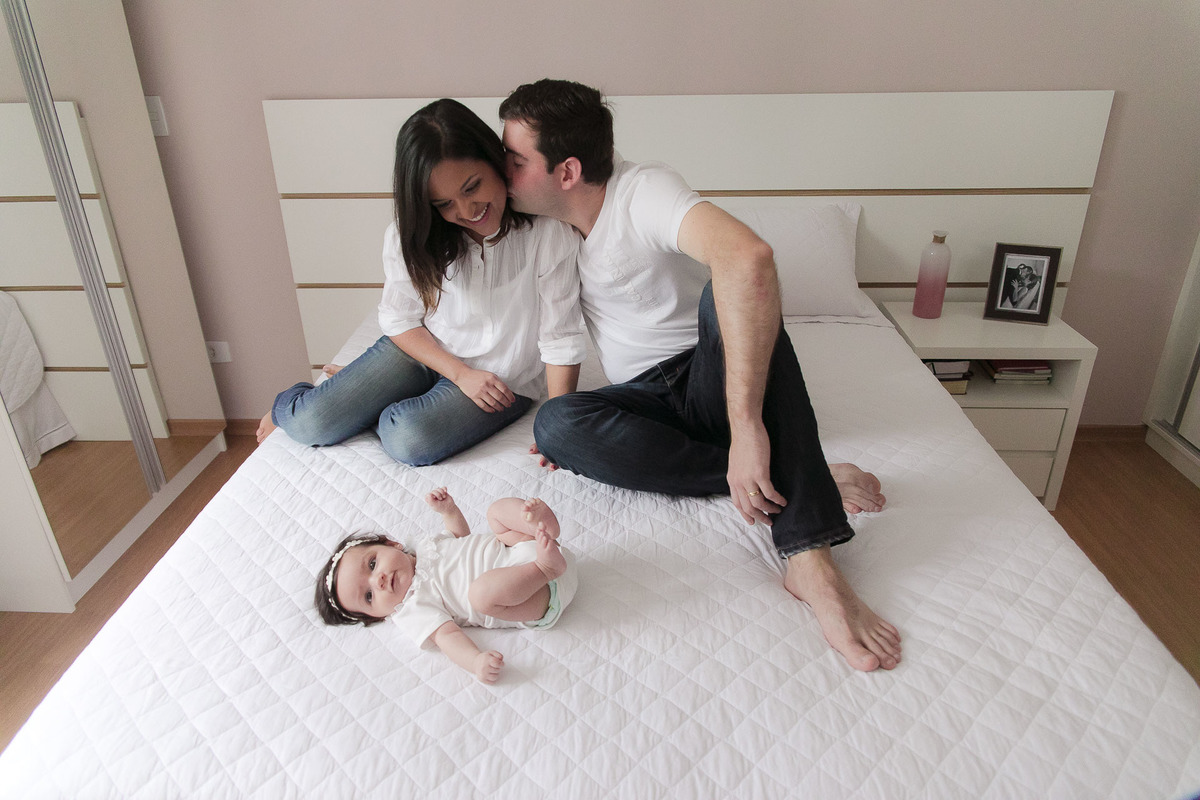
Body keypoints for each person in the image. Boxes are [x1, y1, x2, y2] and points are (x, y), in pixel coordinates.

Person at [498, 79, 900, 672]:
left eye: (514, 160)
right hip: (647, 398)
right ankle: (804, 474)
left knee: (731, 287)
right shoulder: (547, 230)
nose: (502, 171)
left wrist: (748, 427)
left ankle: (810, 558)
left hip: (714, 377)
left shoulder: (643, 191)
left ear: (567, 172)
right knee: (556, 422)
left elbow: (749, 255)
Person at [257, 99, 586, 466]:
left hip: (504, 376)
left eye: (472, 187)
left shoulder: (549, 233)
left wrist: (559, 429)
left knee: (407, 438)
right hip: (424, 353)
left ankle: (362, 404)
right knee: (310, 421)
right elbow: (399, 318)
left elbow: (560, 338)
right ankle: (294, 403)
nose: (466, 211)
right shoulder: (413, 236)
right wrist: (459, 374)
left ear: (496, 162)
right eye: (444, 203)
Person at [315, 488, 577, 684]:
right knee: (480, 594)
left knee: (496, 513)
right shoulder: (411, 608)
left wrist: (449, 511)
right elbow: (448, 638)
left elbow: (460, 538)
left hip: (530, 547)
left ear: (391, 544)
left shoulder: (423, 546)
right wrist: (475, 661)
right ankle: (546, 568)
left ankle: (542, 526)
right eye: (369, 596)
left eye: (372, 564)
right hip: (535, 596)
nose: (379, 580)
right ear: (380, 616)